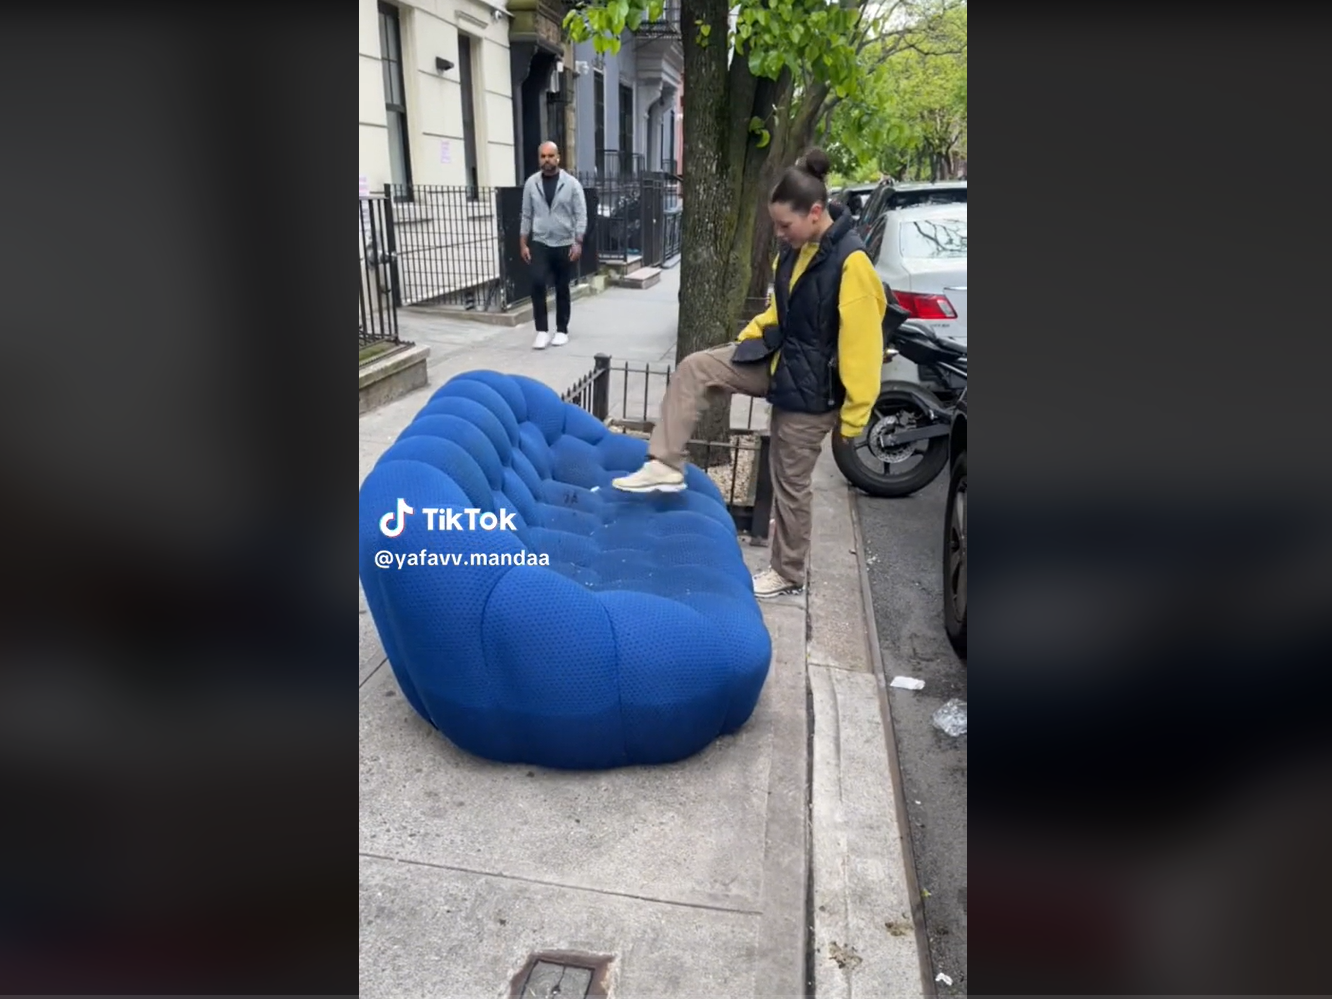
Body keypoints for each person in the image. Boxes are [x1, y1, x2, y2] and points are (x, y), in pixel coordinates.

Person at [612, 148, 887, 599]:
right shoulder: (795, 252)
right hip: (778, 360)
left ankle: (789, 573)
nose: (780, 234)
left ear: (815, 213)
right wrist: (747, 339)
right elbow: (781, 310)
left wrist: (855, 416)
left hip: (813, 390)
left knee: (790, 485)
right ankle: (664, 464)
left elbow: (863, 346)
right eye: (776, 225)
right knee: (696, 367)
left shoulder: (852, 263)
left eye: (785, 225)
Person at [519, 141, 588, 350]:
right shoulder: (532, 184)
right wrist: (523, 242)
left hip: (564, 243)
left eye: (551, 156)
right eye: (543, 156)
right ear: (539, 159)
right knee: (537, 282)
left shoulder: (572, 184)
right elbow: (526, 214)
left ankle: (561, 330)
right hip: (540, 241)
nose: (547, 160)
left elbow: (581, 214)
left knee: (562, 287)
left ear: (558, 158)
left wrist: (578, 242)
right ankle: (541, 331)